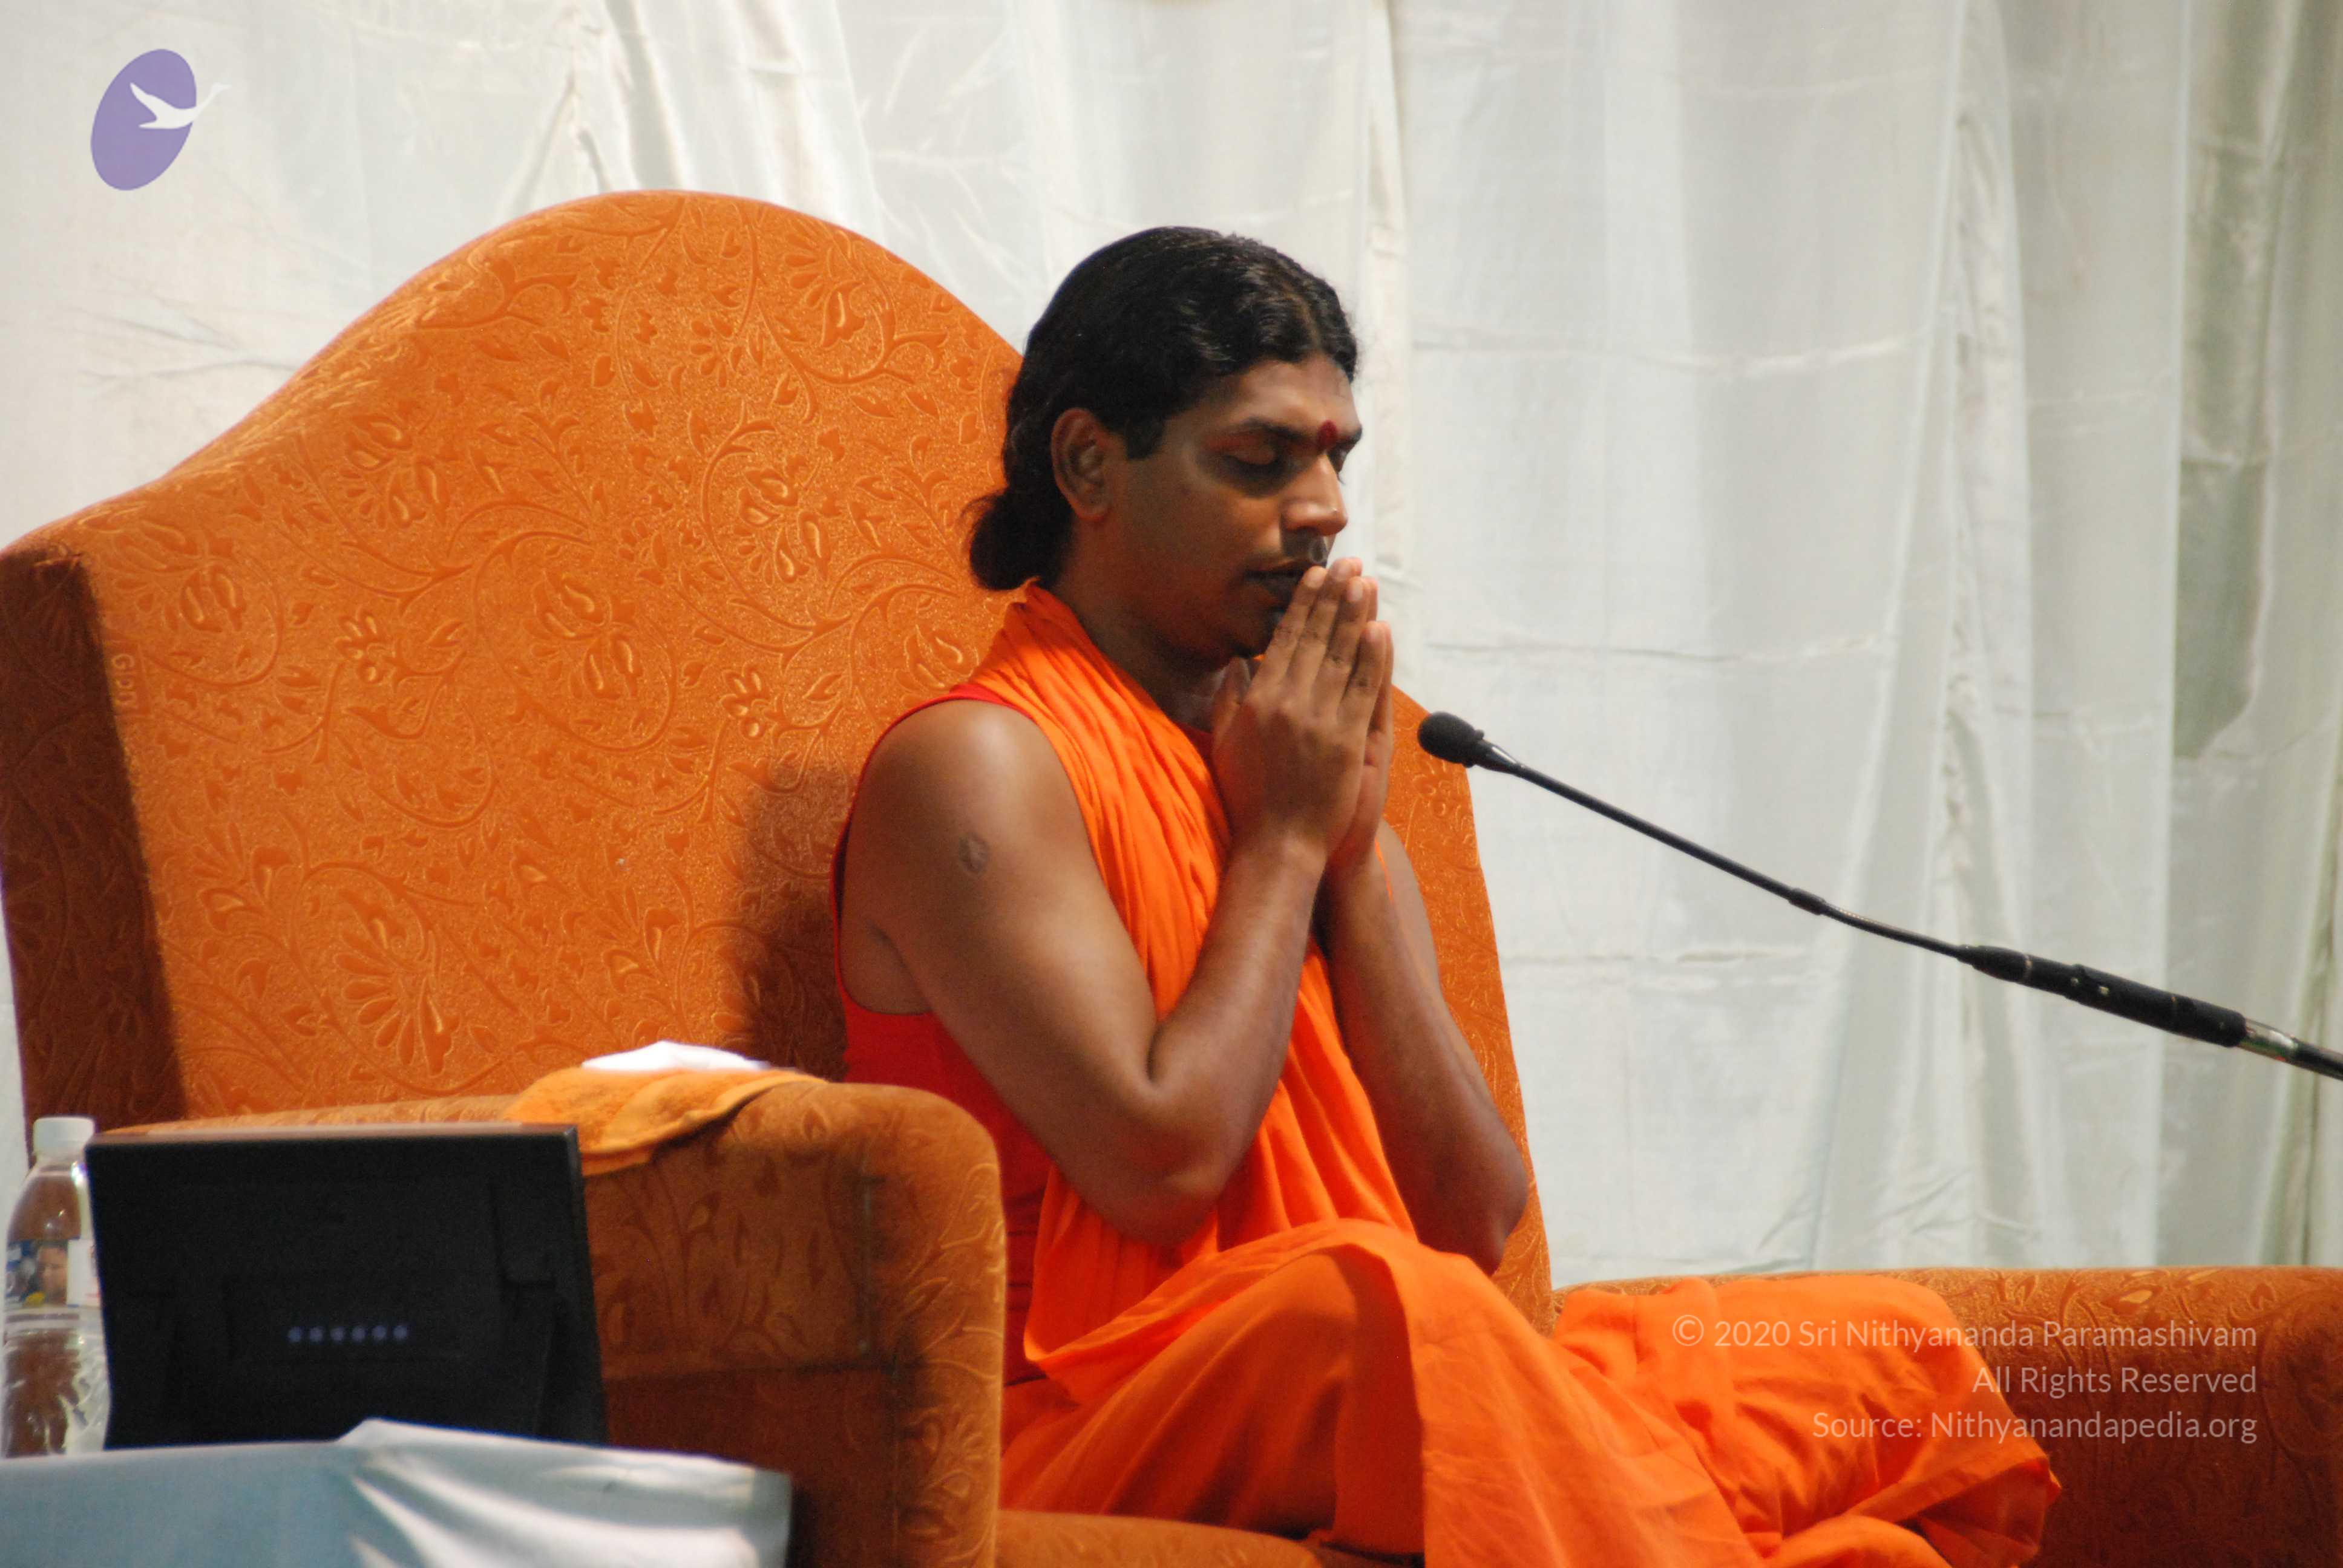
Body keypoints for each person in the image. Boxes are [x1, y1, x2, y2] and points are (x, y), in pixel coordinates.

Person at [834, 228, 2057, 1566]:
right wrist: (1283, 847)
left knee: (1890, 1349)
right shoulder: (976, 765)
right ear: (1087, 466)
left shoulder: (1286, 765)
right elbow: (1159, 1166)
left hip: (1382, 1357)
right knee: (1385, 1315)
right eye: (1258, 459)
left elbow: (1472, 1219)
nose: (1322, 508)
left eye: (1334, 458)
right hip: (1074, 1411)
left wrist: (1348, 859)